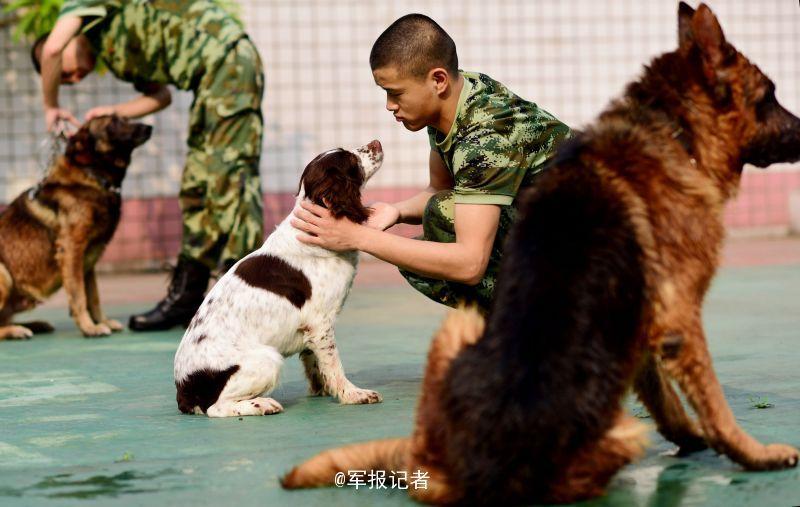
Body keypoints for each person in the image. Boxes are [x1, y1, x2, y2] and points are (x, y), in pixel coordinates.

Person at [292, 14, 570, 311]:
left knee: (439, 226)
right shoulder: (454, 101)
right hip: (554, 232)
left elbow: (469, 264)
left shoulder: (486, 136)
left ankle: (552, 324)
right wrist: (395, 212)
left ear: (438, 80)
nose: (389, 105)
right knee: (426, 242)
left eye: (395, 93)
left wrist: (357, 237)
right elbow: (439, 188)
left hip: (594, 249)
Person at [32, 0, 265, 331]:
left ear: (69, 35)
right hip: (211, 80)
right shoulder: (115, 57)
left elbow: (52, 49)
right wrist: (115, 111)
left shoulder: (88, 7)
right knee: (198, 184)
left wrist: (50, 105)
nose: (74, 77)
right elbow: (161, 97)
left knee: (230, 179)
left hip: (228, 62)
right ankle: (188, 296)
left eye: (66, 72)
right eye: (68, 81)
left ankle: (248, 297)